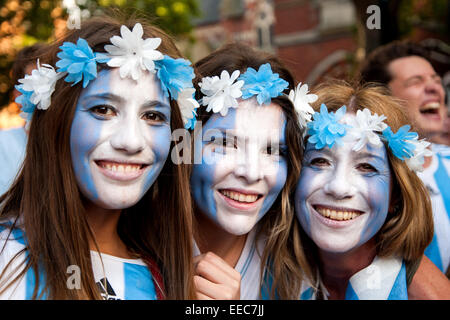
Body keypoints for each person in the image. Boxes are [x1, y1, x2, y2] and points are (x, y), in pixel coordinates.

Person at [0, 15, 196, 299]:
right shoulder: (8, 258)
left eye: (152, 116)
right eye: (103, 110)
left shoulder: (167, 278)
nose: (130, 142)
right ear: (56, 121)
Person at [294, 80, 450, 299]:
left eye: (366, 167)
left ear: (396, 195)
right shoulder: (262, 273)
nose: (338, 187)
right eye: (320, 161)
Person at [189, 43, 311, 299]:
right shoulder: (126, 248)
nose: (252, 173)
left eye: (273, 150)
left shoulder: (298, 272)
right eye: (225, 144)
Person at [360, 41, 450, 275]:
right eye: (416, 82)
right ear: (383, 99)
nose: (434, 88)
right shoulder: (366, 177)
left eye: (436, 81)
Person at [0, 43, 47, 196]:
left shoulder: (75, 146)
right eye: (34, 85)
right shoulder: (3, 145)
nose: (45, 93)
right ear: (17, 95)